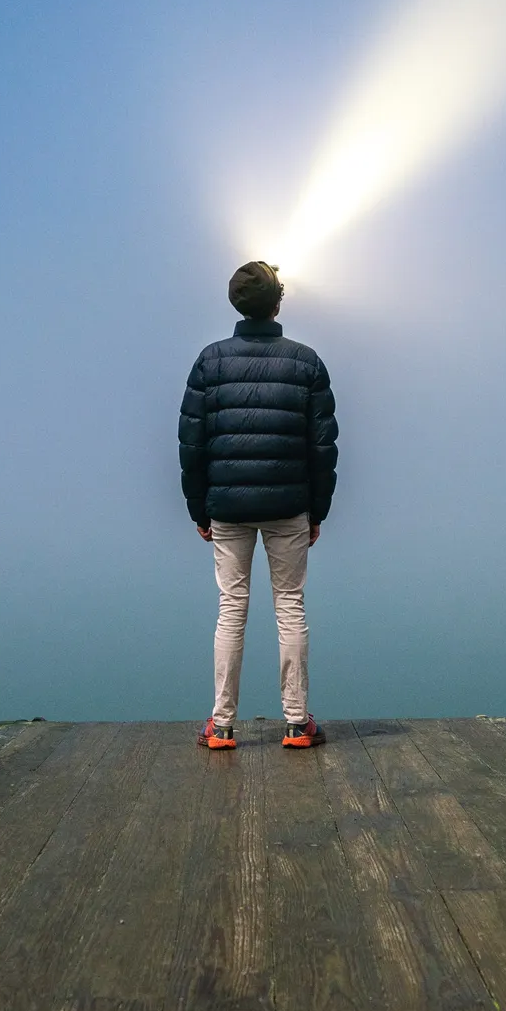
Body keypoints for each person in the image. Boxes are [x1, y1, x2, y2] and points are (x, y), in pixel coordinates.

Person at [180, 260, 338, 750]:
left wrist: (198, 510)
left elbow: (192, 443)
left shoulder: (210, 360)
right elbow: (323, 446)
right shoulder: (306, 361)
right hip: (290, 503)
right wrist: (318, 511)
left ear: (236, 304)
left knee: (232, 608)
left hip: (226, 506)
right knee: (290, 606)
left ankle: (222, 725)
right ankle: (296, 723)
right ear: (277, 303)